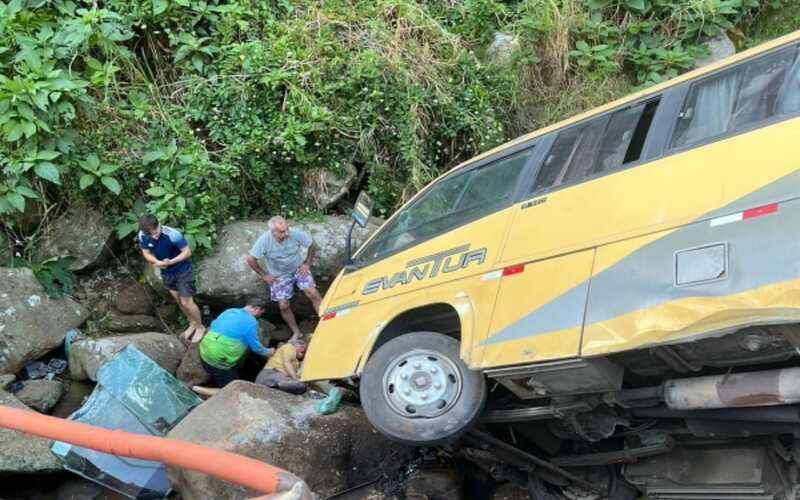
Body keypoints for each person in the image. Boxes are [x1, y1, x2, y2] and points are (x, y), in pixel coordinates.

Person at [245, 216, 322, 340]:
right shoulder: (265, 240)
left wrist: (307, 263)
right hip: (279, 275)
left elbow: (312, 245)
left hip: (298, 268)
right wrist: (264, 275)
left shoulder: (295, 234)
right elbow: (250, 259)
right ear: (272, 231)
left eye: (287, 229)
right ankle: (296, 332)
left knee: (312, 292)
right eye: (282, 232)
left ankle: (325, 320)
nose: (286, 233)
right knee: (283, 305)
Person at [138, 214, 205, 342]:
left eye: (156, 233)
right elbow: (146, 253)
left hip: (183, 270)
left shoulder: (173, 234)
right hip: (166, 272)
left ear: (159, 225)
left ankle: (200, 327)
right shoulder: (142, 235)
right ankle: (192, 323)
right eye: (150, 235)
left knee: (186, 302)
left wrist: (171, 262)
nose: (154, 237)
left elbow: (187, 252)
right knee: (179, 301)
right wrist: (157, 262)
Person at [196, 296, 274, 390]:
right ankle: (199, 389)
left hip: (204, 352)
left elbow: (213, 324)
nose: (259, 316)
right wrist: (269, 352)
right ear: (257, 309)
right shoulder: (251, 322)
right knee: (232, 388)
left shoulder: (230, 311)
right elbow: (256, 348)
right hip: (218, 362)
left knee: (234, 366)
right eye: (261, 313)